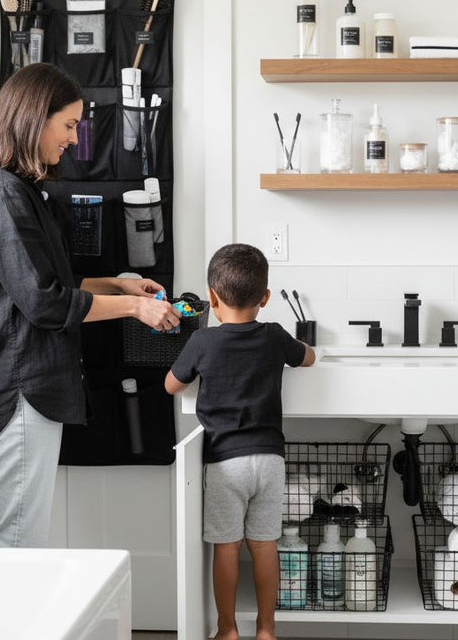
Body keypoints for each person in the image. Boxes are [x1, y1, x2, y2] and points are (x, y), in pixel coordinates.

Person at [0, 63, 180, 548]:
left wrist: (114, 285)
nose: (75, 140)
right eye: (70, 125)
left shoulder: (14, 189)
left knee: (9, 534)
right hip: (19, 388)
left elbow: (39, 281)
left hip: (22, 382)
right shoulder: (2, 197)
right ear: (35, 118)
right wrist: (136, 310)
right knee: (17, 541)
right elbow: (46, 304)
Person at [164, 243, 316, 640]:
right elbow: (309, 358)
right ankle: (266, 629)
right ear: (265, 297)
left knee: (227, 547)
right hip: (270, 461)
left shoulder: (203, 342)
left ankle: (227, 628)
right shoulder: (275, 336)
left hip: (225, 464)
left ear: (212, 298)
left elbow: (171, 385)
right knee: (265, 546)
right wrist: (304, 348)